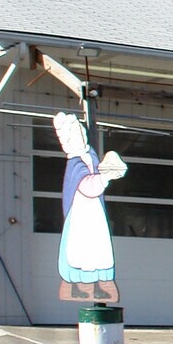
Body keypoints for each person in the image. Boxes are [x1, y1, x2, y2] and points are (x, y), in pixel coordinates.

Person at [53, 112, 128, 303]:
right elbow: (86, 186)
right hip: (81, 213)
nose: (80, 137)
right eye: (75, 135)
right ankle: (77, 286)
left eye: (80, 132)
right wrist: (105, 177)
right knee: (81, 249)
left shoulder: (91, 156)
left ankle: (97, 286)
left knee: (97, 248)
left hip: (95, 212)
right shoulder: (75, 163)